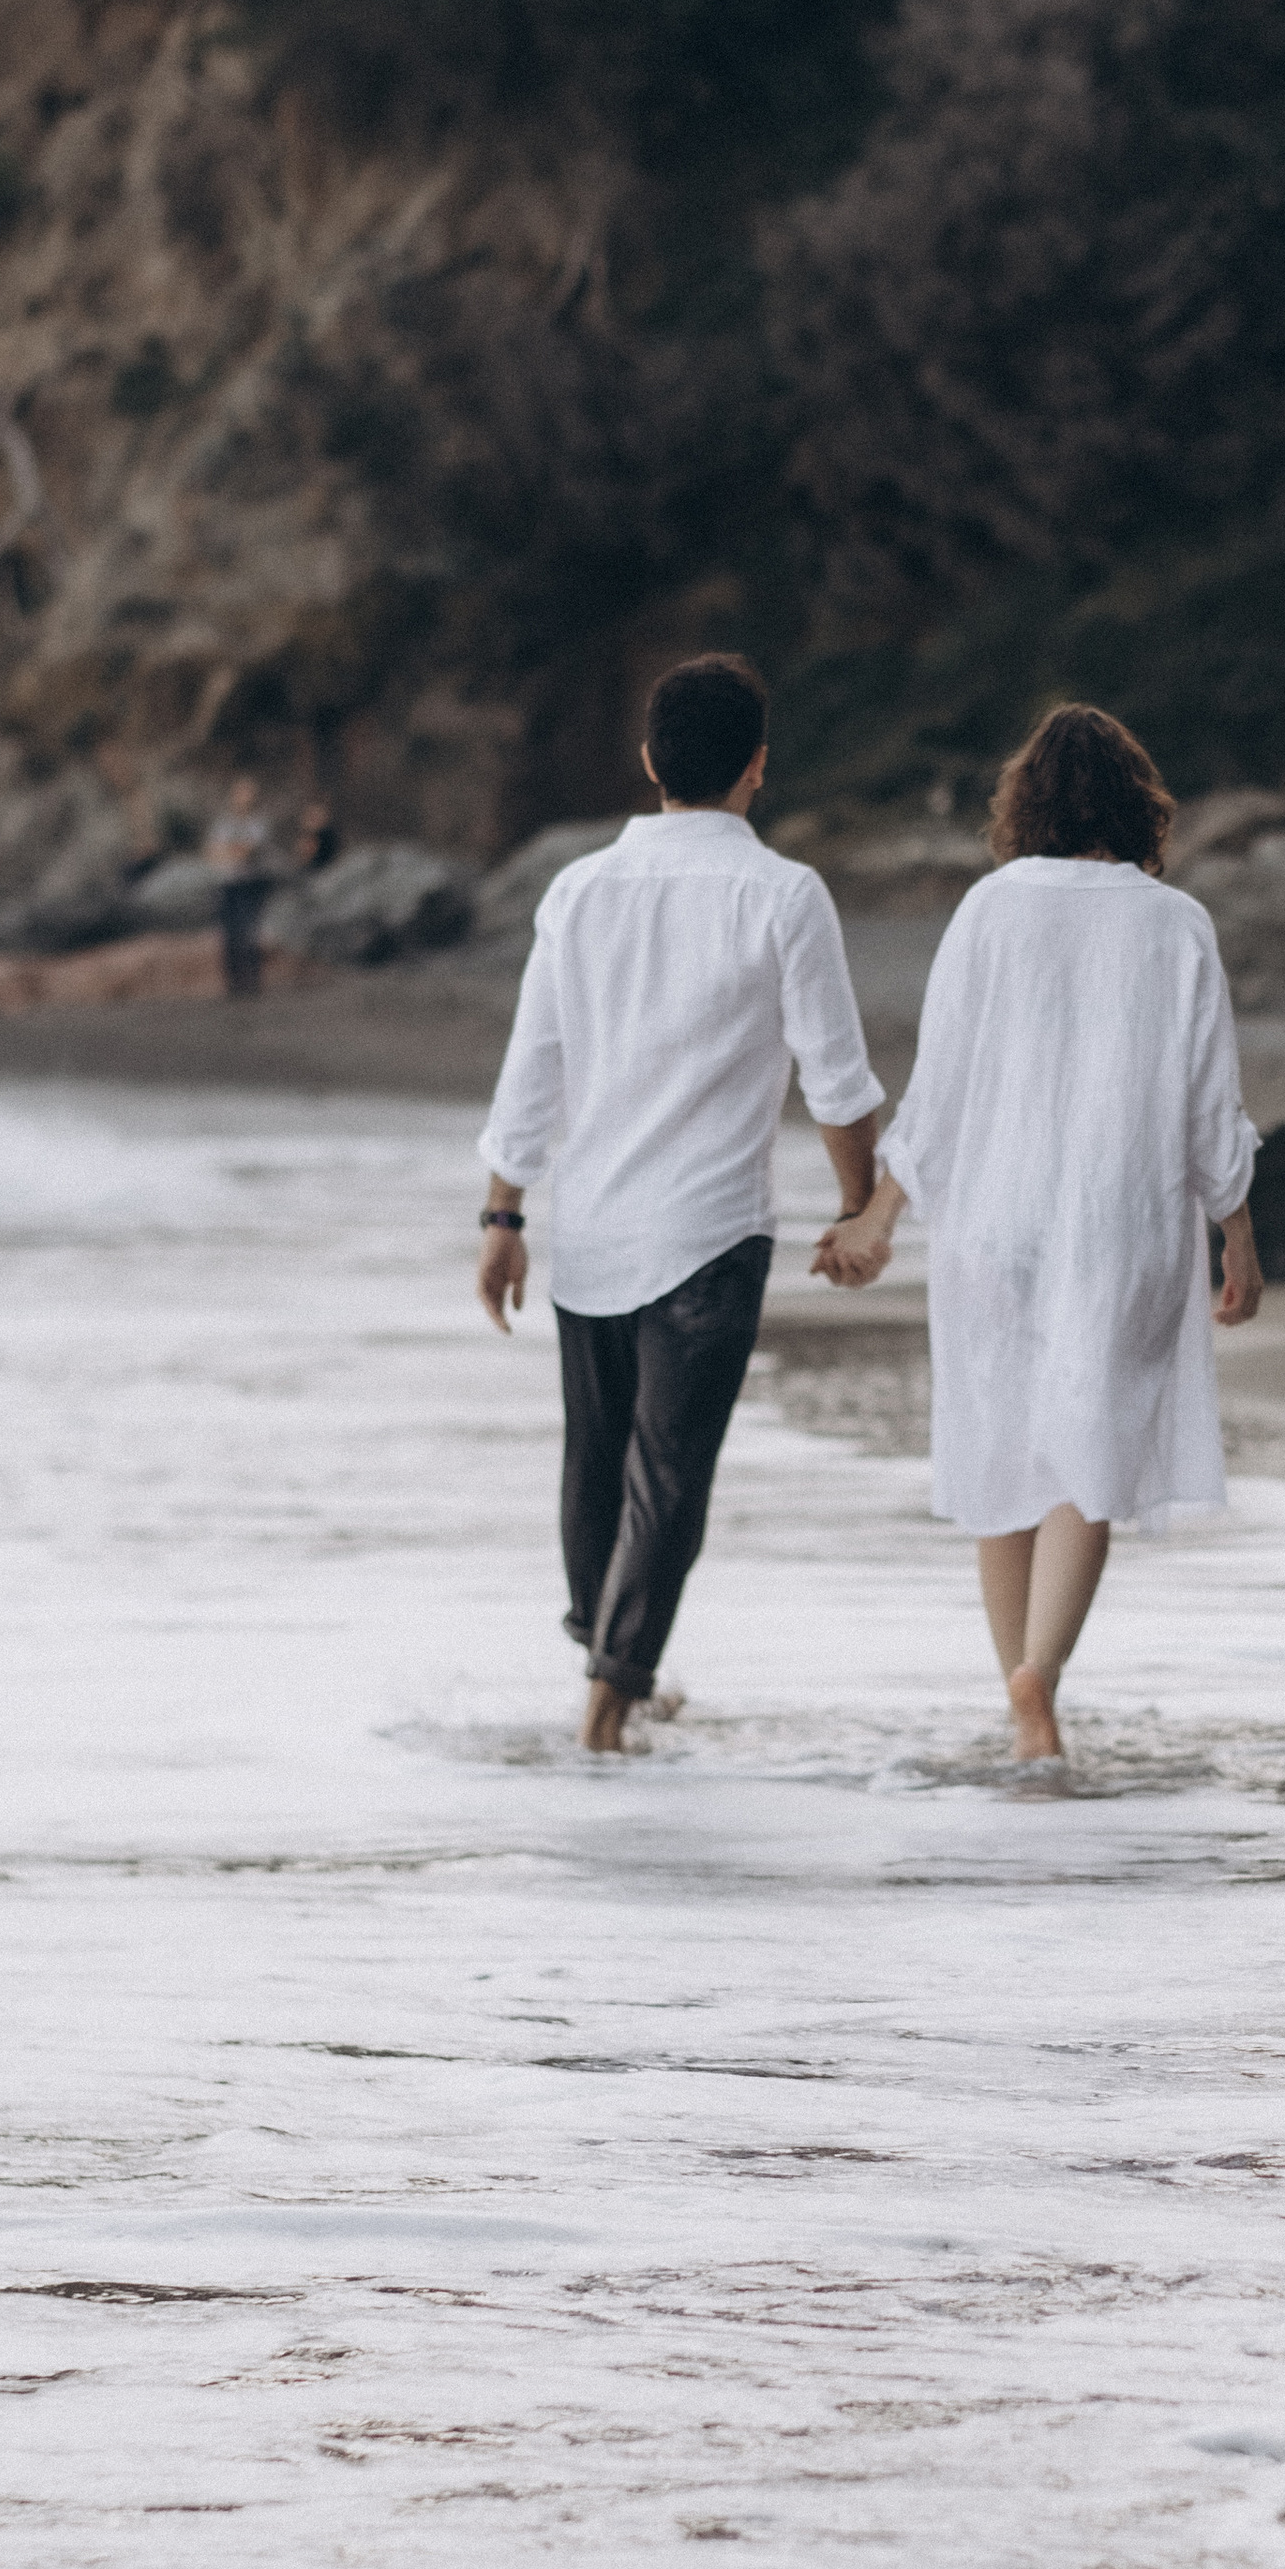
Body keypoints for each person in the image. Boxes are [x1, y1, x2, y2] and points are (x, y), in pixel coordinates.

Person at [816, 703, 1262, 1764]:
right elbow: (1209, 1102)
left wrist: (879, 1215)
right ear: (1134, 803)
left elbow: (942, 1091)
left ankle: (1017, 1691)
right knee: (1086, 1453)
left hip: (993, 1220)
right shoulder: (1172, 922)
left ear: (1025, 804)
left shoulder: (987, 910)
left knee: (999, 1446)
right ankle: (1039, 1680)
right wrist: (1234, 1232)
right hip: (1119, 1219)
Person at [477, 653, 883, 1755]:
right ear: (757, 768)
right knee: (667, 1477)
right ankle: (609, 1703)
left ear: (648, 759)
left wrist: (502, 1215)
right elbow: (834, 1078)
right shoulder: (784, 895)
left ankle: (613, 1670)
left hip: (595, 1227)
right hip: (708, 1234)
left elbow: (535, 1062)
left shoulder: (578, 891)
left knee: (596, 1465)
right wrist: (857, 1206)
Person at [204, 779, 276, 997]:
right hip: (227, 885)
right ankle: (233, 984)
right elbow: (212, 853)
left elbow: (249, 851)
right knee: (229, 935)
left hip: (250, 884)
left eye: (249, 794)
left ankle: (252, 981)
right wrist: (231, 851)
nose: (245, 798)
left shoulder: (259, 823)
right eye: (241, 793)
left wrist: (229, 851)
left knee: (250, 933)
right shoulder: (223, 824)